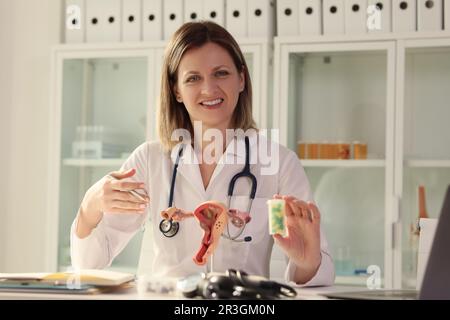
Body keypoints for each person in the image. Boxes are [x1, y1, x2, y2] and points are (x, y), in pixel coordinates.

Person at [70, 21, 335, 286]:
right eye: (193, 78)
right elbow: (89, 266)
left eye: (221, 73)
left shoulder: (278, 164)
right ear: (176, 90)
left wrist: (306, 262)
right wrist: (88, 207)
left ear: (241, 79)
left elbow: (315, 274)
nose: (209, 89)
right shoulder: (150, 160)